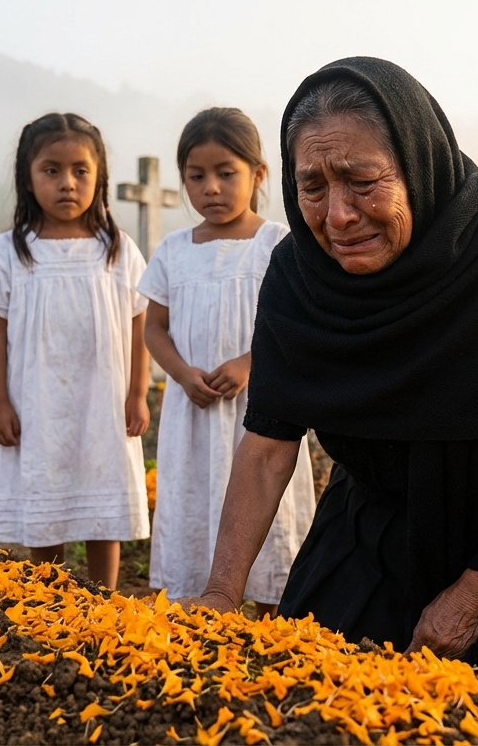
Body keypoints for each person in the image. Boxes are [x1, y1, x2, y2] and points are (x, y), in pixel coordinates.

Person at [184, 59, 478, 736]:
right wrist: (220, 594)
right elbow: (267, 445)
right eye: (312, 186)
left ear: (417, 163)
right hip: (383, 523)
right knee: (311, 699)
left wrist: (468, 600)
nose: (338, 215)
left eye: (362, 181)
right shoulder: (301, 275)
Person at [139, 108, 315, 616]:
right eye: (196, 176)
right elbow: (154, 328)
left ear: (258, 174)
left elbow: (298, 325)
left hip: (261, 416)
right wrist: (181, 374)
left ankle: (270, 622)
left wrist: (248, 365)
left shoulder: (277, 244)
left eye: (225, 173)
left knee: (269, 516)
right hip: (192, 415)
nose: (210, 188)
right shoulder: (173, 251)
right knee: (194, 505)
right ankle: (195, 617)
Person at [0, 112, 151, 590]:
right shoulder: (10, 252)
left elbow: (139, 322)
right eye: (51, 170)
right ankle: (48, 601)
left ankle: (103, 600)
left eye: (80, 170)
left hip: (103, 404)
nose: (67, 182)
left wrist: (137, 393)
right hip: (38, 406)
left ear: (99, 177)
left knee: (102, 503)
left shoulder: (117, 250)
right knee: (44, 505)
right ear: (27, 179)